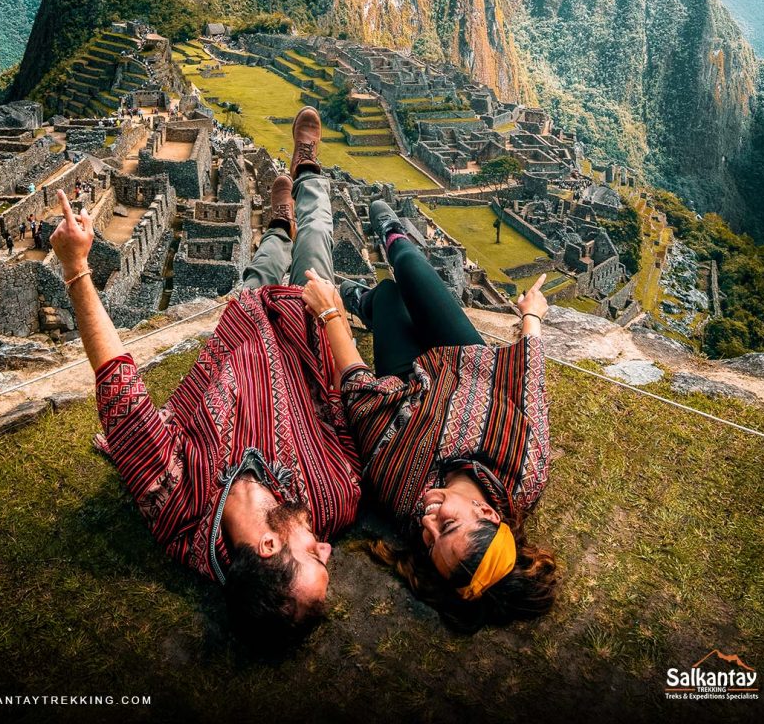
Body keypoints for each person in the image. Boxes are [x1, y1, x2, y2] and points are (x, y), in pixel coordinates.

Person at [50, 107, 366, 647]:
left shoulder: (176, 499)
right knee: (316, 238)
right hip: (304, 330)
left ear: (268, 549)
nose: (328, 548)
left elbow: (118, 386)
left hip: (242, 327)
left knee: (257, 273)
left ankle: (276, 225)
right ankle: (304, 173)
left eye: (315, 558)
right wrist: (329, 323)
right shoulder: (331, 502)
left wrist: (76, 267)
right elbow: (347, 414)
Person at [312, 199, 557, 633]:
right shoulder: (523, 468)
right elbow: (528, 385)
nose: (427, 517)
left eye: (428, 539)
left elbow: (364, 401)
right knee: (409, 265)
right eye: (446, 524)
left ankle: (363, 302)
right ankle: (390, 231)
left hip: (409, 382)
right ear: (487, 514)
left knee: (389, 296)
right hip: (466, 362)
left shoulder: (405, 495)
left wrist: (331, 315)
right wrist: (532, 316)